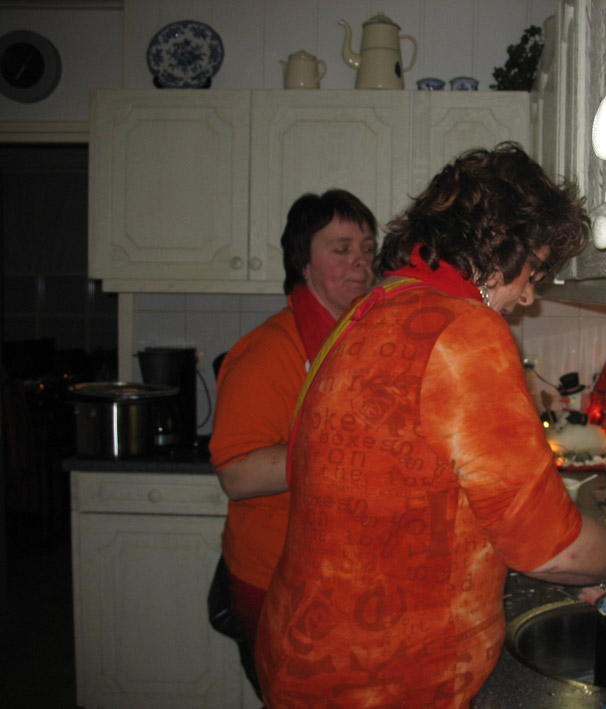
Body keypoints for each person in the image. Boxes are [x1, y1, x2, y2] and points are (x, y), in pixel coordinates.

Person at [255, 143, 606, 707]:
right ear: (500, 242)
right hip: (387, 681)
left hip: (306, 652)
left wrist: (585, 570)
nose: (529, 295)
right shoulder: (465, 331)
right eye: (534, 269)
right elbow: (546, 546)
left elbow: (424, 493)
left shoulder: (374, 307)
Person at [209, 189, 377, 695]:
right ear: (303, 263)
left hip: (334, 576)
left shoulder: (359, 341)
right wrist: (347, 453)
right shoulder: (269, 351)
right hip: (274, 579)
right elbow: (237, 474)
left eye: (368, 248)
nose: (361, 262)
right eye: (341, 249)